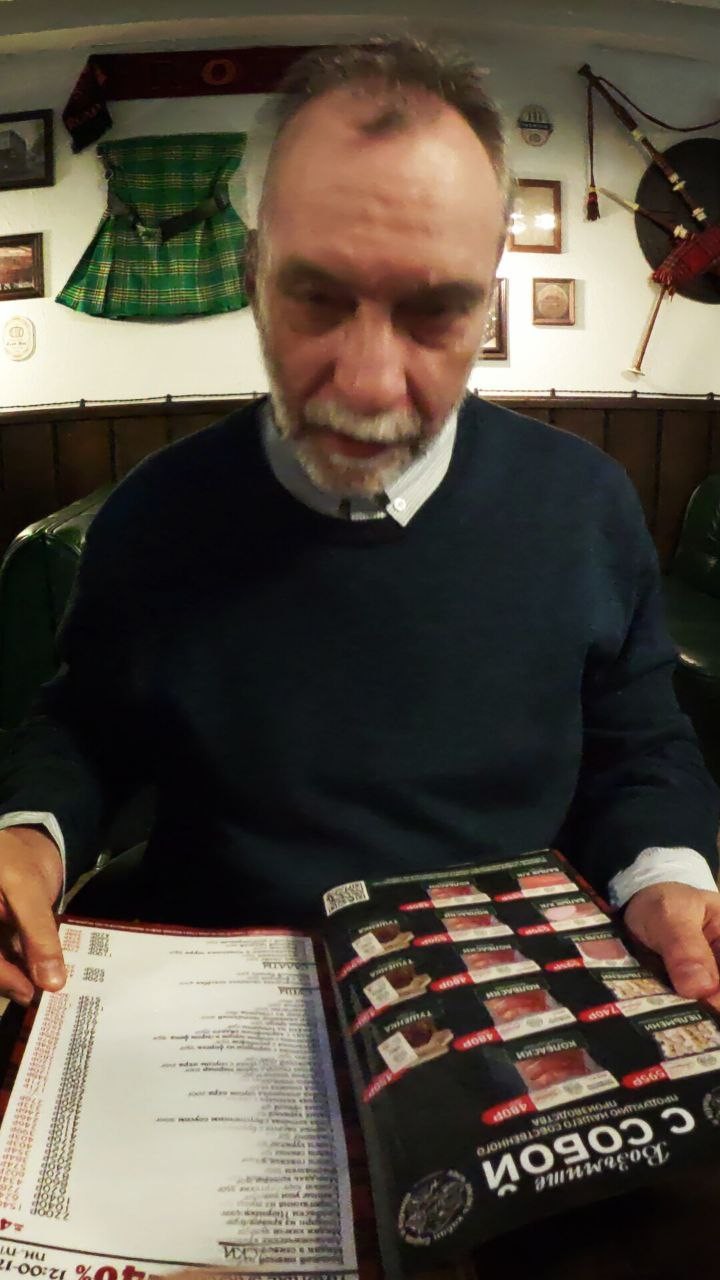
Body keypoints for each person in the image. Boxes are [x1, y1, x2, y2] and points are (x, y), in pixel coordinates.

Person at [0, 37, 718, 1012]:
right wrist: (29, 833)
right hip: (220, 997)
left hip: (508, 991)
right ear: (254, 276)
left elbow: (642, 747)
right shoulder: (153, 514)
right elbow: (84, 728)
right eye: (317, 299)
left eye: (436, 312)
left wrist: (667, 875)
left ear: (488, 293)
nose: (372, 384)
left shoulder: (586, 503)